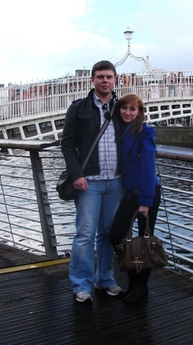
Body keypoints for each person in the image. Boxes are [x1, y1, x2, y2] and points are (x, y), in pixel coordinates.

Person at [61, 60, 124, 303]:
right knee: (85, 234)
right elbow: (67, 144)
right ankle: (81, 284)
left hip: (116, 182)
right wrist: (76, 174)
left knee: (108, 234)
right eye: (100, 77)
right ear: (92, 80)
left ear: (115, 79)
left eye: (109, 76)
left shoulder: (122, 108)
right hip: (89, 182)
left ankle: (105, 279)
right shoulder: (79, 108)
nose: (105, 80)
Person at [109, 93, 161, 304]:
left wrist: (146, 201)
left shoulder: (145, 132)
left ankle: (140, 287)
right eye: (124, 108)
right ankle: (134, 284)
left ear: (140, 112)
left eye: (132, 109)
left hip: (146, 194)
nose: (127, 112)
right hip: (130, 193)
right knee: (117, 237)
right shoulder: (123, 131)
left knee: (145, 241)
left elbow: (148, 167)